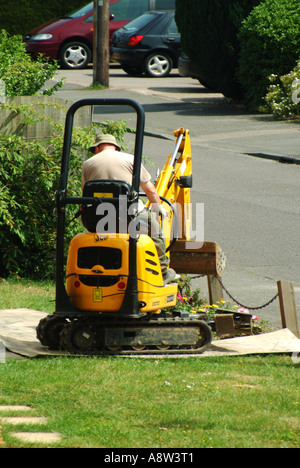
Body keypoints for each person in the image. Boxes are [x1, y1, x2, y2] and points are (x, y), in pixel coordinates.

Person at [81, 134, 177, 284]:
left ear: (98, 147)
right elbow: (150, 190)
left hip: (99, 220)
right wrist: (158, 210)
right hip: (130, 216)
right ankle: (162, 271)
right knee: (156, 234)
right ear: (116, 148)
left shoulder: (87, 164)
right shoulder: (130, 159)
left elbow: (85, 196)